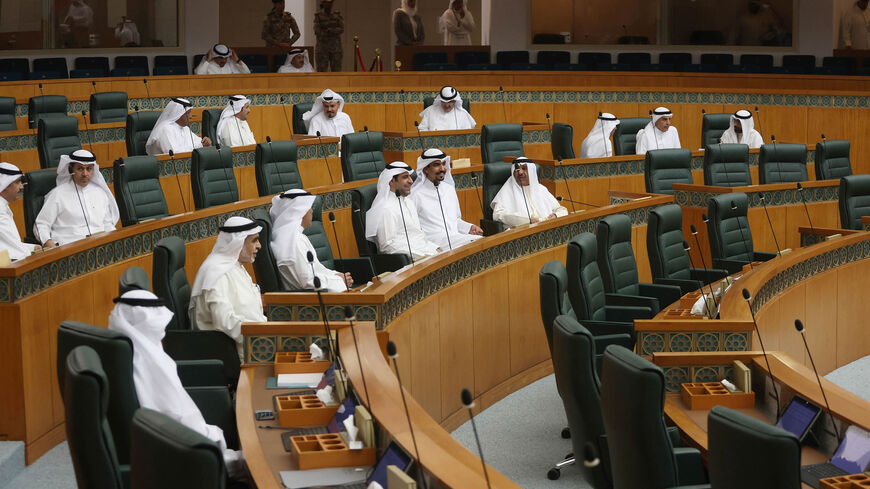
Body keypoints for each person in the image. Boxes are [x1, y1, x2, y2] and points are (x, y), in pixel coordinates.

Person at [107, 289, 246, 478]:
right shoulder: (149, 363)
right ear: (147, 321)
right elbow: (178, 416)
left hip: (149, 451)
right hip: (182, 455)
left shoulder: (119, 355)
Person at [190, 216, 267, 360]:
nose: (259, 246)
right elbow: (224, 321)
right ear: (237, 243)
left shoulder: (233, 265)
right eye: (254, 240)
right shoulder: (216, 273)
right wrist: (262, 337)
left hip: (254, 341)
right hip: (237, 351)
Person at [270, 189, 353, 292]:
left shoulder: (296, 237)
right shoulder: (293, 241)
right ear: (300, 211)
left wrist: (337, 275)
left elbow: (316, 269)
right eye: (310, 207)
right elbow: (308, 282)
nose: (312, 211)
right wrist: (339, 280)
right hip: (308, 298)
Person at [34, 150, 119, 247]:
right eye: (80, 169)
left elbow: (107, 224)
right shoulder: (58, 194)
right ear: (71, 170)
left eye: (89, 169)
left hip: (100, 247)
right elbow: (41, 225)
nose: (85, 174)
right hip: (69, 248)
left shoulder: (100, 193)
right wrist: (51, 246)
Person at [410, 148, 483, 250]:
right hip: (434, 244)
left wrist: (469, 227)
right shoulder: (415, 195)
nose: (442, 168)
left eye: (444, 164)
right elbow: (412, 231)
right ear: (425, 169)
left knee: (482, 243)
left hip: (455, 239)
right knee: (479, 243)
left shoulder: (449, 189)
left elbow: (455, 220)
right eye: (436, 165)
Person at [367, 162, 440, 260]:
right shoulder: (386, 208)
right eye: (405, 177)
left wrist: (435, 248)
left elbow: (418, 235)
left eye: (410, 177)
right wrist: (422, 256)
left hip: (427, 254)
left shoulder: (409, 202)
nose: (411, 181)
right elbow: (387, 246)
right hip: (411, 260)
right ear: (391, 181)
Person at [491, 157, 567, 228]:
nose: (520, 172)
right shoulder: (508, 189)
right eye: (517, 170)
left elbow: (561, 210)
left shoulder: (541, 189)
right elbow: (497, 214)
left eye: (524, 168)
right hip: (521, 231)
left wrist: (556, 215)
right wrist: (528, 220)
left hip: (545, 227)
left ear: (531, 172)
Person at [0, 162, 40, 260]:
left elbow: (10, 244)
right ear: (5, 184)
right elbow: (13, 251)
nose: (21, 187)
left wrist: (32, 247)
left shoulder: (3, 205)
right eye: (17, 182)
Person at [146, 98, 212, 156]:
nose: (190, 116)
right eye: (188, 113)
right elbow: (175, 154)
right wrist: (200, 145)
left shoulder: (185, 128)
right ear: (178, 113)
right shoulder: (165, 129)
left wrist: (206, 142)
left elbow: (200, 143)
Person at [313, 0, 344, 72]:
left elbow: (341, 29)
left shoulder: (337, 15)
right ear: (323, 3)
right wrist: (327, 33)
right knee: (321, 72)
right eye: (327, 3)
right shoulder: (318, 16)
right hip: (322, 48)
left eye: (330, 3)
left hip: (335, 48)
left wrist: (331, 30)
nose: (329, 4)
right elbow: (316, 30)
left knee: (337, 71)